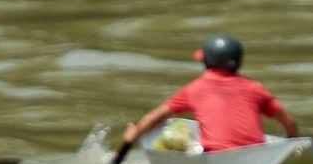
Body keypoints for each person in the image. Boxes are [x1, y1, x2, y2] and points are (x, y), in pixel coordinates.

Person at [119, 34, 298, 154]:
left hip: (218, 158)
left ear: (207, 62)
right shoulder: (255, 88)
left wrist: (132, 138)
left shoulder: (195, 89)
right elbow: (289, 122)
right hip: (258, 157)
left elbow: (153, 119)